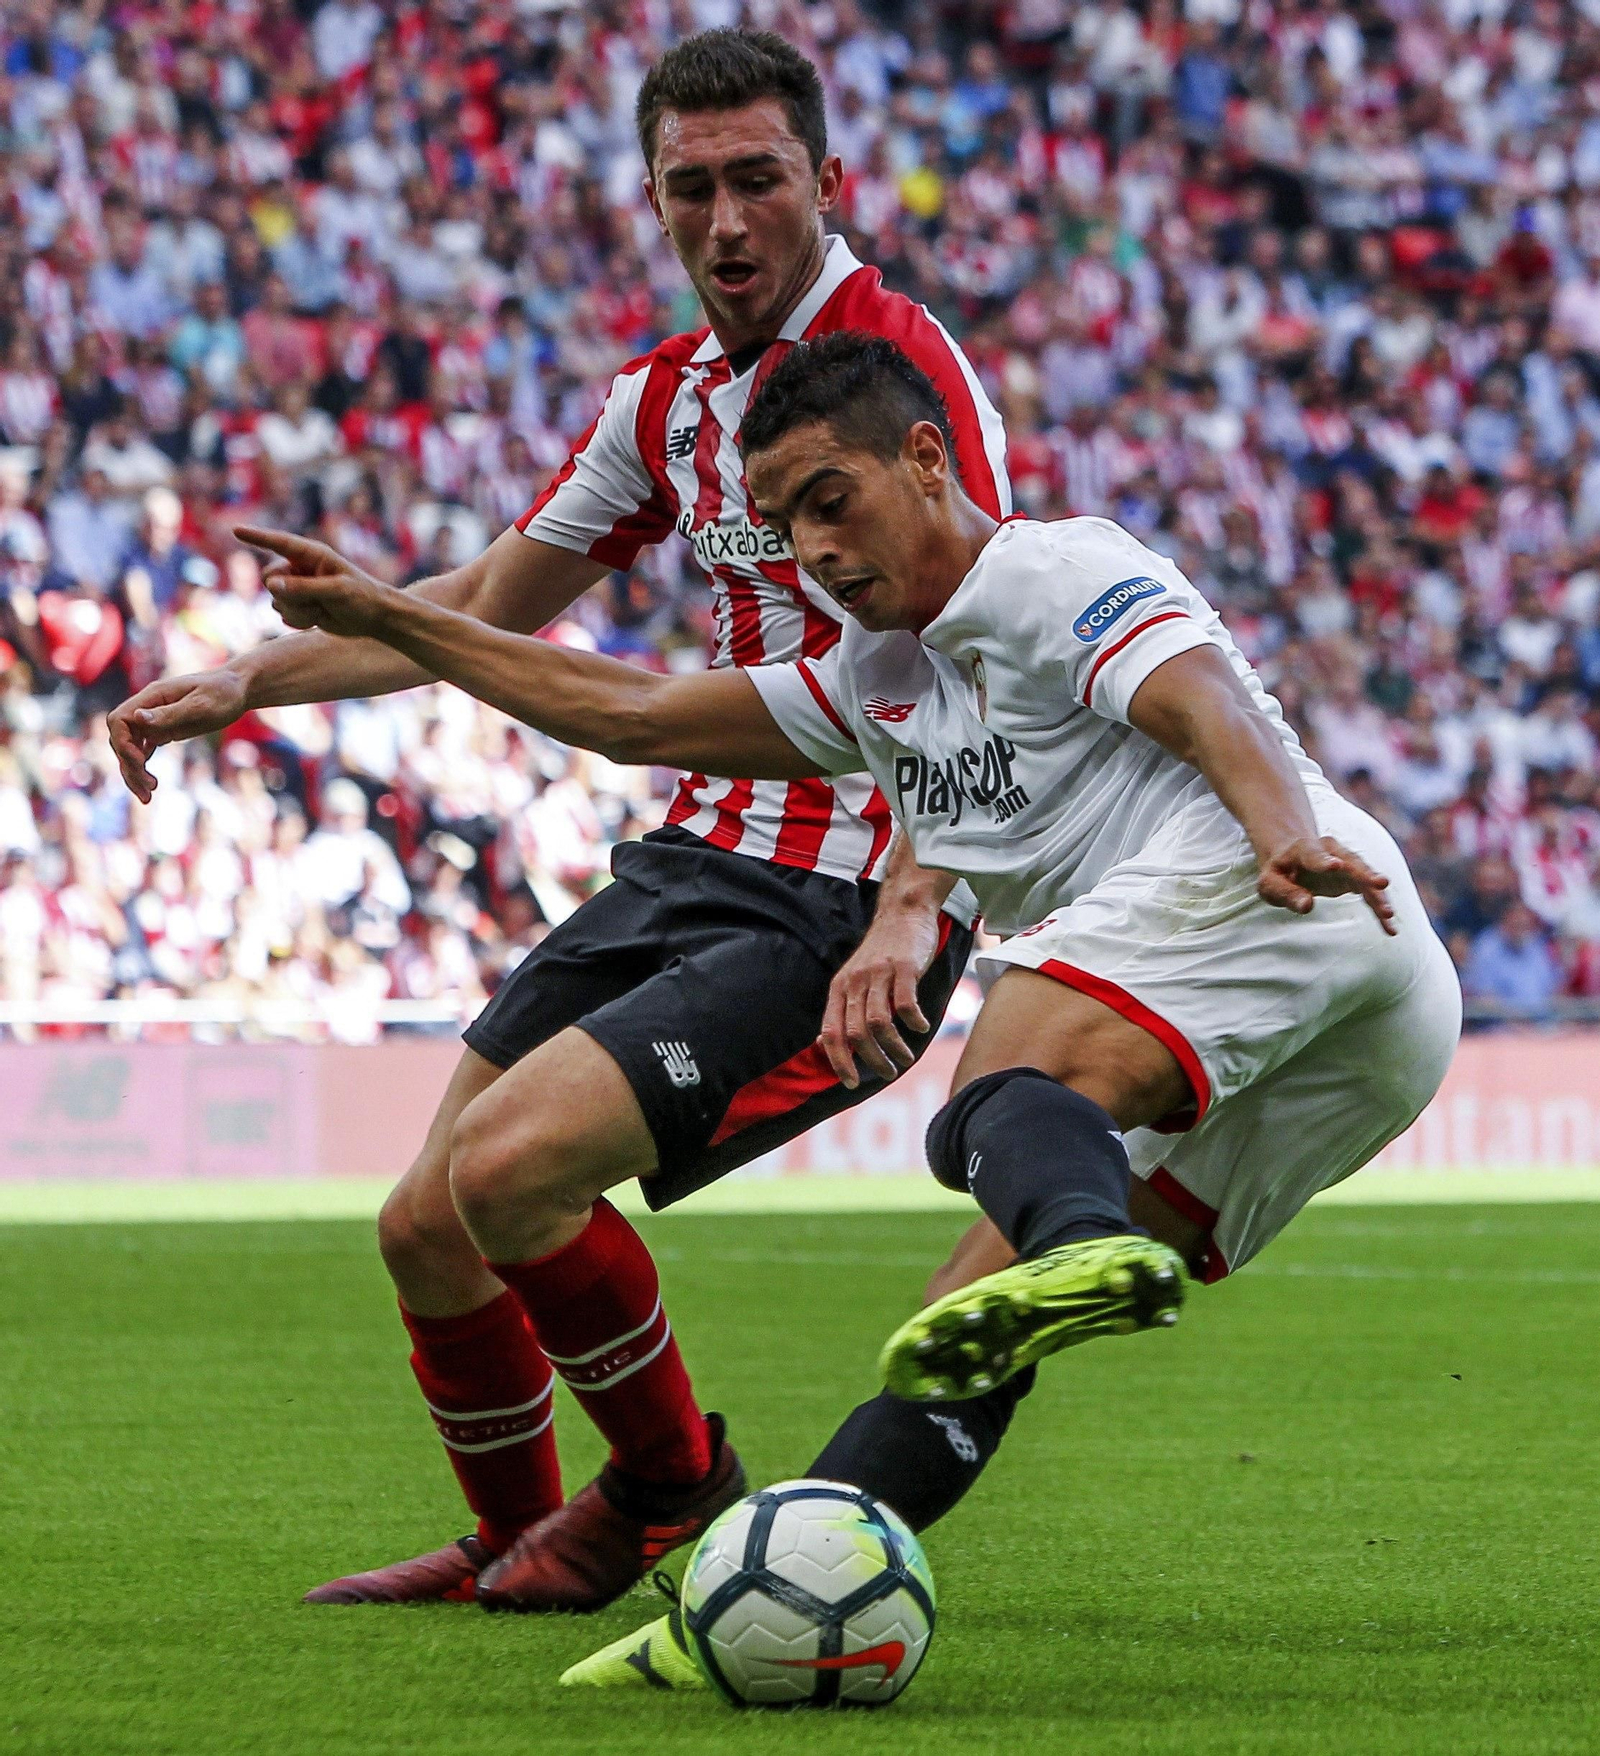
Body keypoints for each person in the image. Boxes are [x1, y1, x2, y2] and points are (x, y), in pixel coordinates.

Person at [249, 330, 1461, 1688]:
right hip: (1378, 1031)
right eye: (783, 525)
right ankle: (745, 1606)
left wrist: (1283, 830)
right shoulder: (876, 680)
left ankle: (1074, 1238)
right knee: (961, 1323)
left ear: (927, 459)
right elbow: (634, 712)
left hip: (1280, 880)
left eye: (833, 500)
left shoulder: (1050, 568)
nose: (814, 549)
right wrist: (401, 621)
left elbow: (1204, 700)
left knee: (997, 1090)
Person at [108, 31, 1016, 1615]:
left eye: (757, 180)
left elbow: (987, 646)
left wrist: (914, 901)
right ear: (651, 202)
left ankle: (674, 1490)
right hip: (698, 856)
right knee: (426, 1223)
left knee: (514, 1169)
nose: (725, 221)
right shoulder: (662, 400)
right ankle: (511, 1537)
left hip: (842, 895)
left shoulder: (900, 367)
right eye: (691, 188)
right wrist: (248, 680)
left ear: (827, 183)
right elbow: (481, 603)